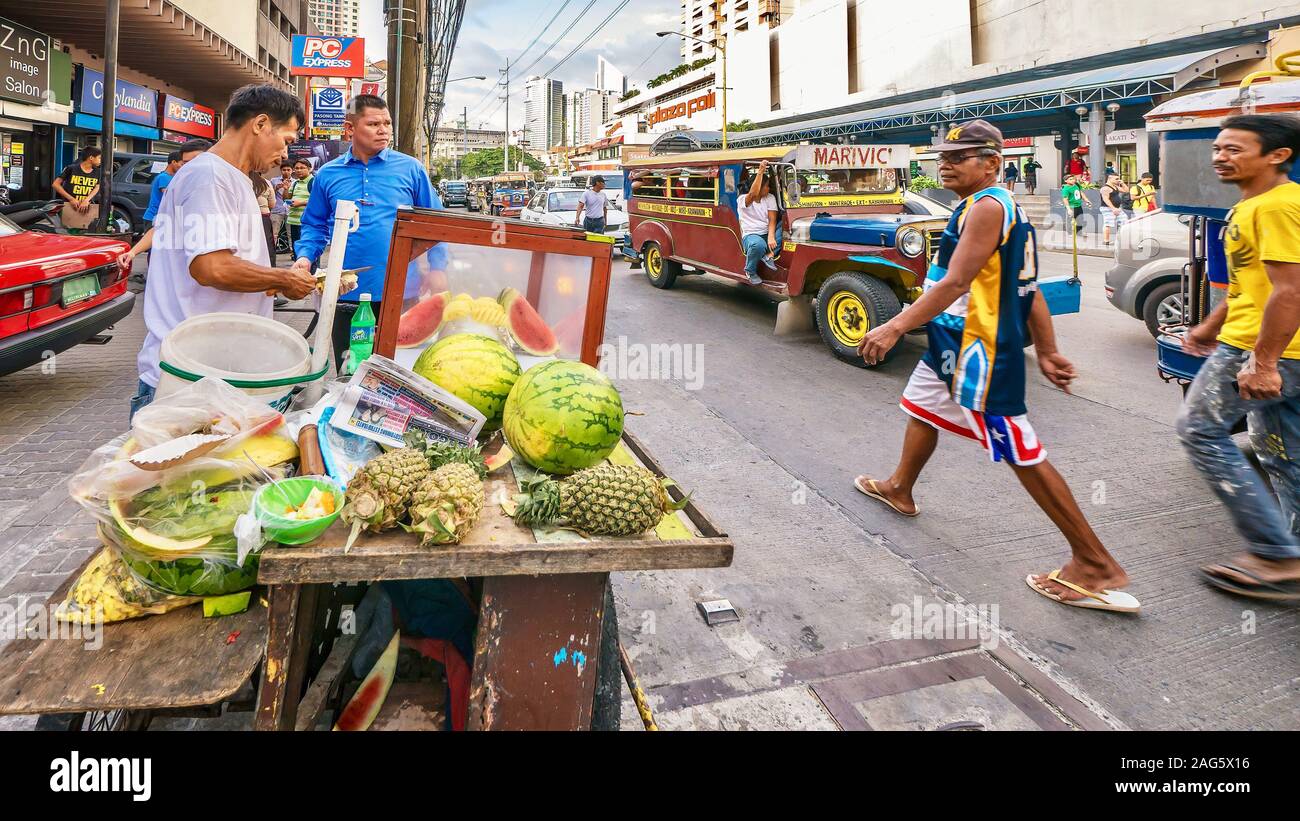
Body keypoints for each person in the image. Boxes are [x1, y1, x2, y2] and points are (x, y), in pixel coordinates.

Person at [855, 119, 1138, 613]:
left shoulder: (987, 208)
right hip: (950, 338)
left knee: (1017, 446)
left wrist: (895, 325)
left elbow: (955, 284)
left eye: (958, 157)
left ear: (992, 164)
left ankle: (1093, 563)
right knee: (921, 406)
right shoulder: (984, 206)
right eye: (941, 157)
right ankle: (900, 487)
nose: (945, 164)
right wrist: (1048, 350)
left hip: (976, 349)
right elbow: (1026, 286)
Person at [131, 84, 317, 420]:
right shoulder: (209, 176)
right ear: (260, 124)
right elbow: (211, 268)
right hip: (187, 386)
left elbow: (230, 265)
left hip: (215, 378)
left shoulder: (234, 179)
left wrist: (268, 280)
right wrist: (281, 278)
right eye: (286, 141)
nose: (286, 155)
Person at [1177, 114, 1300, 602]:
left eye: (1234, 149)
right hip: (1269, 346)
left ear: (1278, 155)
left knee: (1200, 431)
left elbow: (1291, 291)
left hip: (1266, 350)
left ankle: (1274, 553)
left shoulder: (1275, 207)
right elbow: (1259, 284)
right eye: (1218, 149)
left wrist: (1264, 362)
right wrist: (1209, 325)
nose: (1220, 157)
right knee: (1283, 455)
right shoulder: (1259, 206)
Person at [292, 94, 444, 371]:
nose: (384, 130)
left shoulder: (411, 169)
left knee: (399, 375)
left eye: (387, 123)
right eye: (374, 124)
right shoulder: (327, 174)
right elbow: (314, 224)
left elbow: (435, 222)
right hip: (345, 293)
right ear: (350, 129)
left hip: (402, 293)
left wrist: (438, 268)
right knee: (349, 371)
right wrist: (305, 257)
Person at [118, 139, 213, 272]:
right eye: (185, 163)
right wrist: (132, 253)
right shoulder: (175, 187)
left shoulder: (219, 190)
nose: (188, 167)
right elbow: (160, 228)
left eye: (195, 162)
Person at [738, 159, 779, 287]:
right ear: (760, 187)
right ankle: (750, 271)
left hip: (767, 233)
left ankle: (769, 254)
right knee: (758, 245)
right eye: (766, 185)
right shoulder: (742, 199)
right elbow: (753, 193)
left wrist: (771, 236)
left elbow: (773, 219)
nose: (769, 188)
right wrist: (761, 171)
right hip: (751, 235)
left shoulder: (770, 197)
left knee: (786, 230)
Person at [53, 146, 103, 232]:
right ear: (91, 158)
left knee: (86, 234)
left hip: (87, 209)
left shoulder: (98, 172)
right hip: (69, 207)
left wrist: (87, 200)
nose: (100, 160)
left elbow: (97, 187)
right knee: (66, 234)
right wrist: (71, 199)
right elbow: (55, 184)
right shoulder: (71, 169)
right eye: (99, 158)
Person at [142, 150, 182, 232]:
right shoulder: (163, 177)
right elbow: (169, 195)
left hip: (162, 217)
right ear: (174, 162)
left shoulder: (173, 177)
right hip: (154, 217)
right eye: (182, 164)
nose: (182, 167)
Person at [286, 158, 314, 247]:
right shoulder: (295, 183)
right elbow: (287, 198)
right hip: (294, 221)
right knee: (297, 249)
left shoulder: (314, 182)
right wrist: (286, 189)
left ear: (309, 169)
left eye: (302, 168)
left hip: (308, 222)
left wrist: (301, 203)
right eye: (296, 168)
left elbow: (318, 201)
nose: (299, 170)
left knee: (308, 249)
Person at [250, 170, 276, 265]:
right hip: (264, 216)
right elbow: (272, 204)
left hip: (247, 218)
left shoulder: (243, 181)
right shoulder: (267, 183)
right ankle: (270, 267)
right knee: (267, 244)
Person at [1099, 173, 1131, 244]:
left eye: (1118, 178)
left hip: (1117, 208)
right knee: (1108, 224)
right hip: (1107, 208)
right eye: (1116, 179)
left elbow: (1126, 191)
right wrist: (1113, 208)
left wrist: (1122, 183)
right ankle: (1106, 241)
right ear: (1110, 178)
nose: (1118, 180)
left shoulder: (1115, 186)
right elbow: (1105, 199)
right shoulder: (1105, 188)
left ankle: (1120, 239)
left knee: (1124, 221)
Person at [269, 161, 292, 257]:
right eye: (284, 170)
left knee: (291, 233)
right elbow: (268, 193)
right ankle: (271, 253)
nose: (286, 172)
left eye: (288, 170)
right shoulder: (274, 180)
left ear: (292, 171)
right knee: (273, 233)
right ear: (280, 170)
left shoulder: (295, 182)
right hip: (277, 209)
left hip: (290, 211)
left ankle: (293, 253)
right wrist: (276, 188)